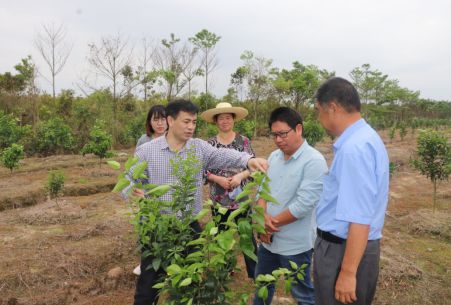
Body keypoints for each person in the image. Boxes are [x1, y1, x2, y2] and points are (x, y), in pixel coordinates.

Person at [124, 99, 268, 305]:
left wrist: (247, 160)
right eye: (186, 122)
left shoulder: (199, 148)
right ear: (170, 120)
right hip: (158, 227)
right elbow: (128, 180)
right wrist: (133, 191)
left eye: (193, 122)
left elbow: (222, 155)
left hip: (189, 226)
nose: (191, 127)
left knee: (191, 283)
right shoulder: (148, 150)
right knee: (148, 288)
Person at [313, 77, 389, 305]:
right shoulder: (366, 138)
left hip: (343, 251)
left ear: (333, 108)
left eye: (319, 111)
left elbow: (359, 217)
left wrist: (347, 273)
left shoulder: (354, 149)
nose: (319, 118)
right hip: (350, 248)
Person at [252, 107, 328, 305]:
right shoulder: (273, 157)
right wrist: (261, 219)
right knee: (262, 286)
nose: (278, 140)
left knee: (302, 292)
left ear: (299, 129)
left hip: (296, 244)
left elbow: (303, 205)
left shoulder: (314, 161)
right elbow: (262, 191)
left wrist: (269, 223)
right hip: (268, 242)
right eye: (274, 135)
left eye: (283, 134)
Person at [200, 102, 257, 279]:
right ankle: (225, 272)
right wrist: (218, 179)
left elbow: (253, 166)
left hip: (241, 199)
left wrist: (240, 177)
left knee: (246, 235)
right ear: (215, 122)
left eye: (228, 117)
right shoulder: (209, 144)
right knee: (221, 236)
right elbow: (202, 170)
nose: (224, 121)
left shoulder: (244, 141)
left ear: (233, 120)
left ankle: (255, 273)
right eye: (221, 118)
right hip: (219, 199)